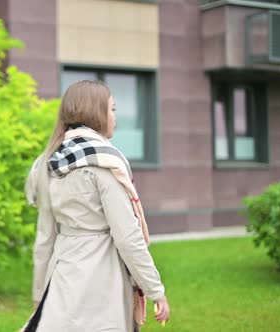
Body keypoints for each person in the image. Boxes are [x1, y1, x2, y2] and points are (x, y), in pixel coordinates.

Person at [23, 80, 170, 332]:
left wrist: (40, 296)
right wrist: (155, 289)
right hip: (104, 278)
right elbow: (127, 235)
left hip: (62, 276)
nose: (115, 117)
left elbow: (44, 238)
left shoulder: (48, 160)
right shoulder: (105, 161)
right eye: (112, 109)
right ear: (96, 112)